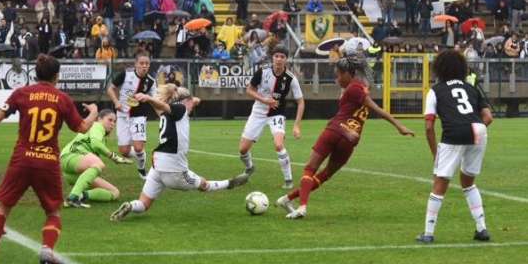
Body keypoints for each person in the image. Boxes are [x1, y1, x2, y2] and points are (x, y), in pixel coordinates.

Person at [0, 54, 98, 264]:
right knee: (53, 212)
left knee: (2, 208)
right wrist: (94, 112)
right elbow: (83, 127)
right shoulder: (62, 99)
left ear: (35, 73)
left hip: (22, 159)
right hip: (48, 161)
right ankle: (47, 251)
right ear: (56, 76)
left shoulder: (22, 93)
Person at [277, 54, 414, 219]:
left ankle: (302, 207)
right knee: (326, 174)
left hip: (335, 132)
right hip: (350, 139)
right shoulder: (361, 87)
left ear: (350, 74)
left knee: (310, 168)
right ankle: (287, 199)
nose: (337, 78)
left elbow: (377, 109)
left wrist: (399, 126)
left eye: (339, 74)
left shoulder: (355, 88)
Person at [109, 85, 249, 221]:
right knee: (204, 185)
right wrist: (149, 98)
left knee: (144, 204)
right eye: (190, 102)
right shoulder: (180, 108)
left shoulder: (170, 113)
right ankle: (230, 183)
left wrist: (151, 100)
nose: (192, 107)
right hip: (174, 169)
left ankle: (131, 205)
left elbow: (164, 107)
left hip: (157, 165)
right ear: (184, 101)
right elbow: (165, 106)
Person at [416, 50, 493, 243]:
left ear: (439, 69)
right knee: (468, 182)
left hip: (454, 132)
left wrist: (436, 154)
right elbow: (488, 117)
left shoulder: (435, 91)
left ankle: (428, 233)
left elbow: (428, 127)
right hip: (478, 130)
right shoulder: (471, 88)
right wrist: (475, 130)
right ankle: (482, 229)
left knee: (440, 183)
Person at [238, 46, 305, 189]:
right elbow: (249, 90)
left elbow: (300, 102)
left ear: (286, 59)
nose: (279, 59)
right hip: (258, 112)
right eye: (276, 56)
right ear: (272, 58)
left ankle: (288, 180)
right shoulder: (262, 71)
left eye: (282, 56)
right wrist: (264, 100)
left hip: (277, 113)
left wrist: (297, 125)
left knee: (279, 145)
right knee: (243, 150)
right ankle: (250, 167)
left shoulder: (290, 78)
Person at [62, 109, 132, 208]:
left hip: (74, 171)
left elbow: (96, 146)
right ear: (99, 119)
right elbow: (95, 144)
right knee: (98, 164)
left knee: (114, 192)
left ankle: (81, 195)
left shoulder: (100, 135)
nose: (112, 124)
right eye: (110, 120)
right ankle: (73, 198)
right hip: (71, 156)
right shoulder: (97, 126)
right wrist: (114, 157)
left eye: (114, 121)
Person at [107, 52, 157, 179]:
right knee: (124, 151)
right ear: (136, 64)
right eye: (141, 63)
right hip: (123, 116)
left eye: (147, 64)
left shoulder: (151, 81)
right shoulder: (125, 74)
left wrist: (147, 97)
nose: (144, 66)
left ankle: (142, 170)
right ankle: (142, 156)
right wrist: (116, 102)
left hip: (139, 116)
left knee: (138, 147)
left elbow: (155, 99)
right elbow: (110, 88)